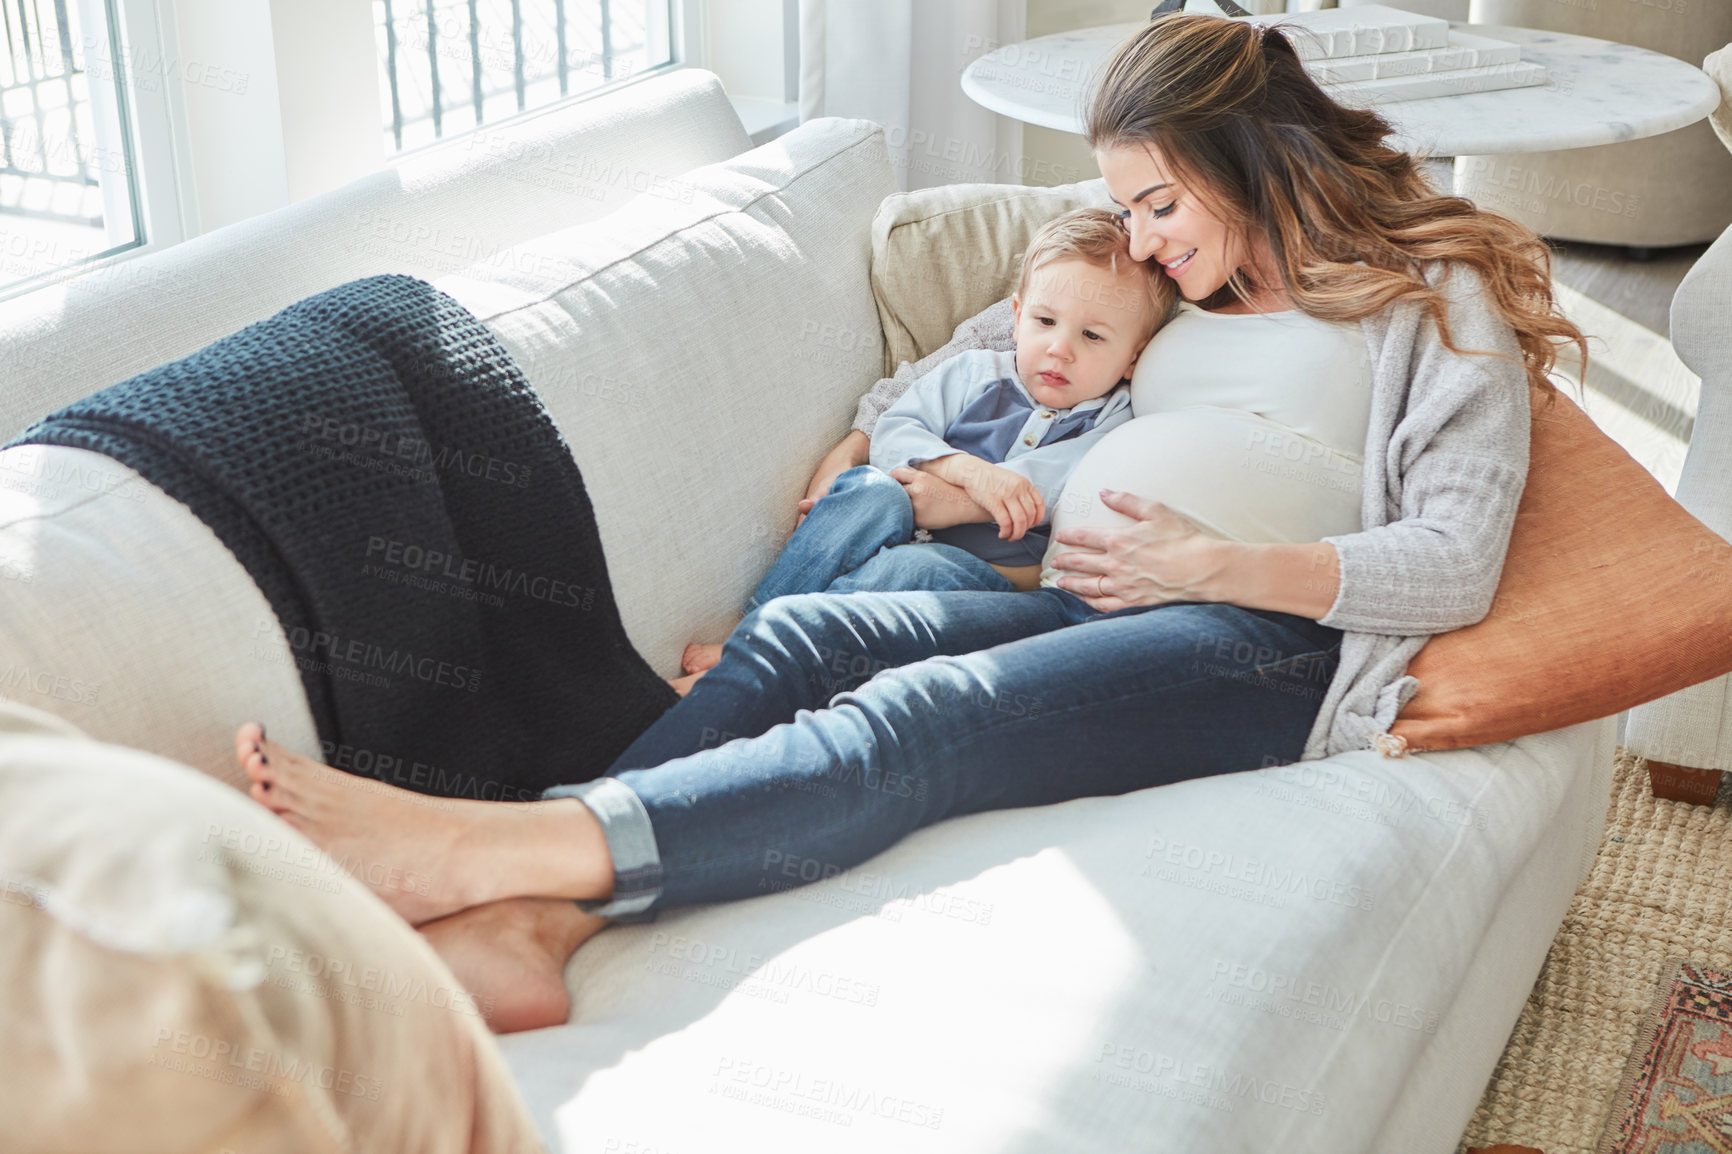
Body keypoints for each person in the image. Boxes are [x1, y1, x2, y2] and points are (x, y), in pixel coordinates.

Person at [233, 12, 1588, 1035]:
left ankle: (494, 848)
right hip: (1078, 591)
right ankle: (538, 913)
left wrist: (1221, 561)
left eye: (1161, 203)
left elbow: (1458, 559)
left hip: (1257, 641)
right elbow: (983, 351)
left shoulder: (1434, 290)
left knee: (930, 718)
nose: (1145, 236)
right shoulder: (1185, 288)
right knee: (824, 626)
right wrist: (892, 444)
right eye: (1125, 210)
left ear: (1251, 159)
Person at [673, 207, 1171, 693]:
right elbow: (895, 430)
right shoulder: (974, 372)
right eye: (1045, 321)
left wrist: (961, 497)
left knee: (905, 570)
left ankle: (766, 658)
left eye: (1091, 335)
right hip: (904, 520)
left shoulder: (1115, 419)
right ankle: (754, 630)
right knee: (869, 489)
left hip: (985, 577)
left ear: (1134, 357)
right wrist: (966, 470)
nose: (1060, 348)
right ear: (1016, 317)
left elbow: (1066, 485)